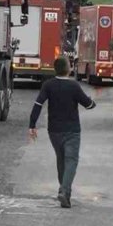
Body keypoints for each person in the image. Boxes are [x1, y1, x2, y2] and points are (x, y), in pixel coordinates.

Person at [29, 57, 96, 208]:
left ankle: (64, 191)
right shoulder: (74, 86)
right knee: (71, 160)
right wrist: (92, 103)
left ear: (55, 69)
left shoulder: (48, 85)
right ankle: (65, 191)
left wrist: (32, 124)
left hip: (54, 130)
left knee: (61, 159)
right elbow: (87, 103)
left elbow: (38, 103)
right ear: (68, 69)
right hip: (72, 130)